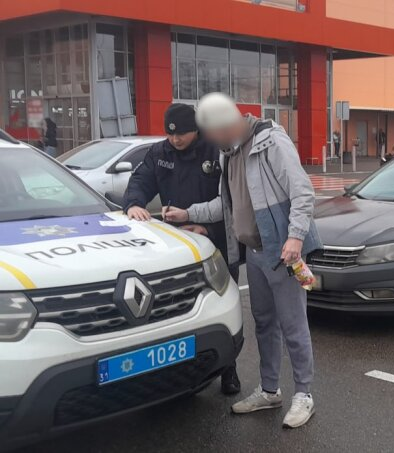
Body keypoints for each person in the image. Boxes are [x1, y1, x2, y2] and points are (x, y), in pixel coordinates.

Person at [164, 93, 321, 429]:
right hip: (255, 252)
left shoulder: (271, 142)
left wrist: (294, 238)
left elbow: (303, 192)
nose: (210, 141)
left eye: (212, 132)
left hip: (283, 252)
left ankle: (304, 394)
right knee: (263, 322)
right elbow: (227, 206)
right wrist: (188, 213)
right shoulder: (228, 154)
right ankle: (269, 390)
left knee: (293, 324)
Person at [122, 104, 242, 395]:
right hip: (178, 250)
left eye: (183, 134)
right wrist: (134, 203)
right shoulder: (160, 153)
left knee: (222, 312)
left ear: (196, 130)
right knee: (177, 314)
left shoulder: (216, 152)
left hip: (218, 246)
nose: (175, 140)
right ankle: (177, 376)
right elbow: (140, 181)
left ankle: (229, 371)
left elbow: (234, 201)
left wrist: (207, 230)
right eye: (170, 134)